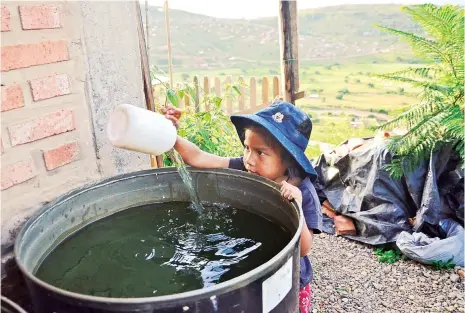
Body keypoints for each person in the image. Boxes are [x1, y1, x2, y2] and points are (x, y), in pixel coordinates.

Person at [164, 100, 322, 313]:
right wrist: (170, 136)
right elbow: (199, 157)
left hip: (288, 275)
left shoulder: (303, 191)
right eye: (247, 148)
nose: (249, 159)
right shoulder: (245, 168)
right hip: (253, 266)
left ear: (289, 159)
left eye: (261, 153)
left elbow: (303, 248)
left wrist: (298, 207)